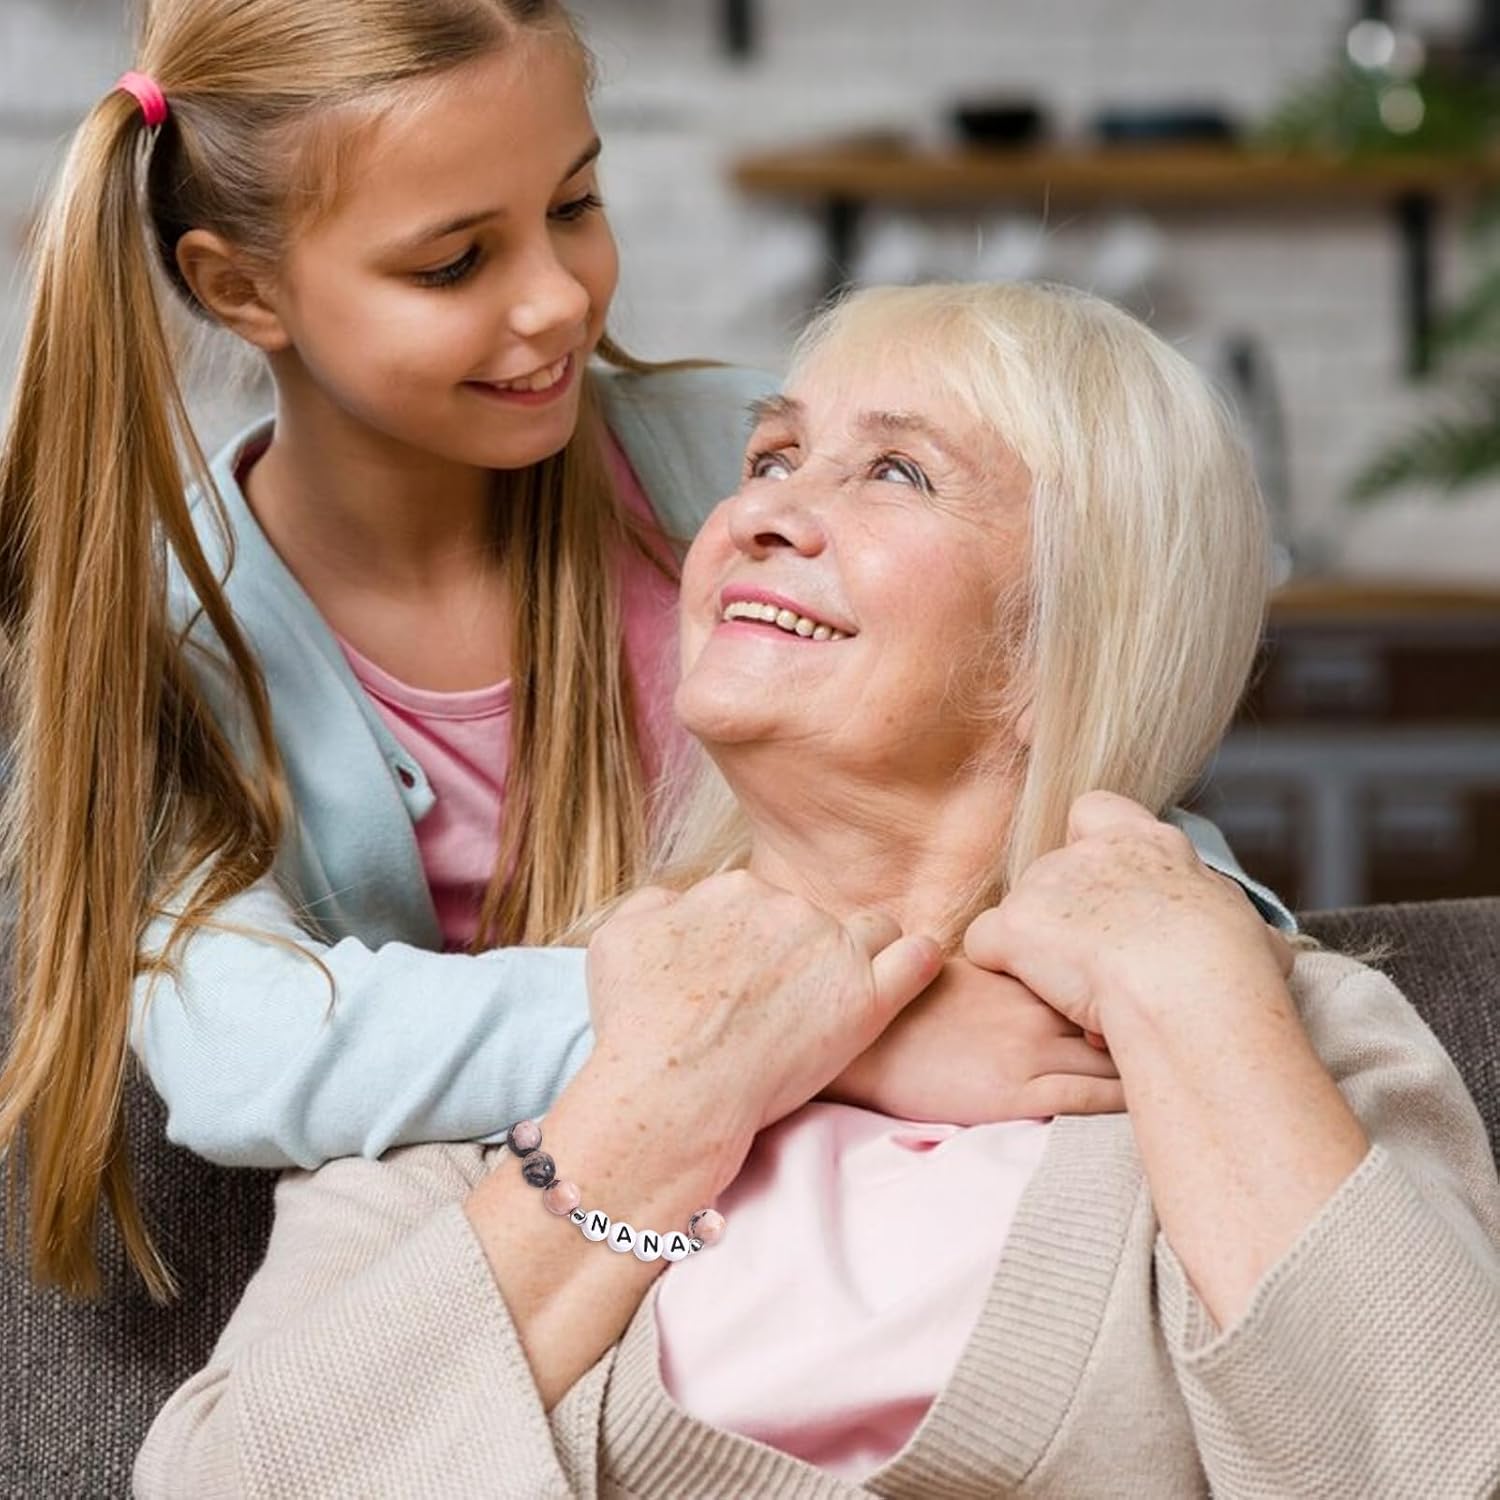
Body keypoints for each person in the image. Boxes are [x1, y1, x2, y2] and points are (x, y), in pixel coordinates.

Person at [0, 1, 1282, 1301]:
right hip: (531, 1266)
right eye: (453, 264)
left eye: (575, 203)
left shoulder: (760, 470)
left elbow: (1090, 730)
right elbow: (242, 1051)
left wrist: (1205, 948)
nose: (558, 300)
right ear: (240, 287)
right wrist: (809, 1033)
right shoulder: (157, 633)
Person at [136, 283, 1500, 1498]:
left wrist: (1199, 1001)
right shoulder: (544, 1048)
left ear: (1063, 637)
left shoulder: (1275, 1029)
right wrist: (661, 1105)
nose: (760, 512)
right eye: (772, 455)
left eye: (897, 473)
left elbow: (1447, 1465)